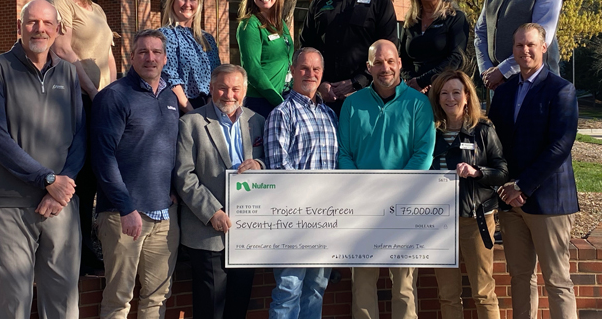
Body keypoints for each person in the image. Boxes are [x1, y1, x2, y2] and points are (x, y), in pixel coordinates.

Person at [0, 0, 86, 318]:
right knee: (11, 304)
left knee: (64, 303)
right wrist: (47, 180)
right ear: (19, 27)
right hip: (9, 205)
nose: (39, 28)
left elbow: (79, 134)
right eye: (31, 22)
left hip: (60, 206)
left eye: (46, 23)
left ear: (56, 30)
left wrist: (61, 187)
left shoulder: (68, 72)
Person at [338, 39, 435, 319]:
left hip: (403, 205)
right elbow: (344, 154)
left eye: (390, 61)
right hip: (363, 206)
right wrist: (364, 192)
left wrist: (395, 192)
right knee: (363, 284)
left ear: (400, 64)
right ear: (368, 67)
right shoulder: (352, 104)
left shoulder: (418, 104)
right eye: (378, 62)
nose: (385, 68)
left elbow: (423, 154)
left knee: (404, 285)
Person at [489, 23, 579, 319]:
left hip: (548, 201)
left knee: (557, 280)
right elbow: (495, 144)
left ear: (543, 47)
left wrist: (522, 185)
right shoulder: (503, 93)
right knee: (520, 277)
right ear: (512, 51)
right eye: (518, 46)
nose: (524, 50)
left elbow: (560, 146)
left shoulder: (561, 90)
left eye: (530, 45)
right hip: (510, 203)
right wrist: (505, 186)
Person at [91, 29, 180, 319]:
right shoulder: (114, 97)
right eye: (143, 52)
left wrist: (172, 191)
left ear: (165, 58)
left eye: (156, 52)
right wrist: (126, 207)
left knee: (156, 297)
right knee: (119, 299)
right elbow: (102, 158)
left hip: (163, 215)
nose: (150, 58)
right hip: (123, 215)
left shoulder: (169, 97)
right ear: (131, 57)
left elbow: (170, 151)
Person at [43, 0, 116, 274]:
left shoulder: (97, 9)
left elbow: (109, 56)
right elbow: (62, 48)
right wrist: (92, 91)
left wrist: (113, 93)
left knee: (93, 176)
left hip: (100, 98)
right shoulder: (58, 0)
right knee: (77, 172)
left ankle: (88, 246)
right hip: (75, 98)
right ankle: (76, 252)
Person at [174, 64, 266, 319]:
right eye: (222, 88)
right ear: (211, 88)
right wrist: (211, 211)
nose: (229, 95)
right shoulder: (190, 123)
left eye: (235, 89)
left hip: (247, 232)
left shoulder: (257, 122)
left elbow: (270, 162)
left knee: (239, 306)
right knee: (210, 309)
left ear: (245, 91)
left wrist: (260, 164)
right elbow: (184, 175)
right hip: (207, 231)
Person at [263, 47, 338, 319]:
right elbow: (280, 172)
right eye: (304, 68)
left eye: (316, 69)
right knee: (288, 291)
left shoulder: (330, 116)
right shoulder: (282, 114)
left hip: (326, 220)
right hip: (293, 221)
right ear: (292, 71)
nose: (310, 74)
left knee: (317, 288)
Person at [428, 70, 508, 319]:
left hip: (475, 219)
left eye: (456, 92)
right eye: (444, 93)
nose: (450, 98)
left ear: (466, 96)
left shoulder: (482, 130)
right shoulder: (430, 131)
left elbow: (502, 171)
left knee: (483, 291)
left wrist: (477, 171)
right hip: (439, 223)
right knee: (448, 294)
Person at [300, 0, 398, 115]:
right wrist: (320, 82)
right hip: (324, 99)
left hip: (367, 98)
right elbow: (305, 48)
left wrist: (356, 82)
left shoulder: (380, 3)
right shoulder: (319, 3)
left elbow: (389, 51)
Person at [400, 0, 469, 93]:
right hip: (412, 91)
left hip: (444, 91)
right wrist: (411, 82)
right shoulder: (410, 21)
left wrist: (423, 81)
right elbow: (403, 59)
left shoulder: (455, 17)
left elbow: (456, 58)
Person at [236, 0, 293, 118]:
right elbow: (252, 69)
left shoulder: (280, 24)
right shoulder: (249, 24)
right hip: (262, 101)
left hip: (284, 96)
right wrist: (278, 101)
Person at [159, 0, 220, 113]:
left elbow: (216, 74)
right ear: (172, 2)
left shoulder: (207, 39)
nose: (187, 4)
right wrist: (191, 113)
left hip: (208, 106)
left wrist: (209, 108)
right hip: (180, 106)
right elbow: (170, 76)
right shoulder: (164, 35)